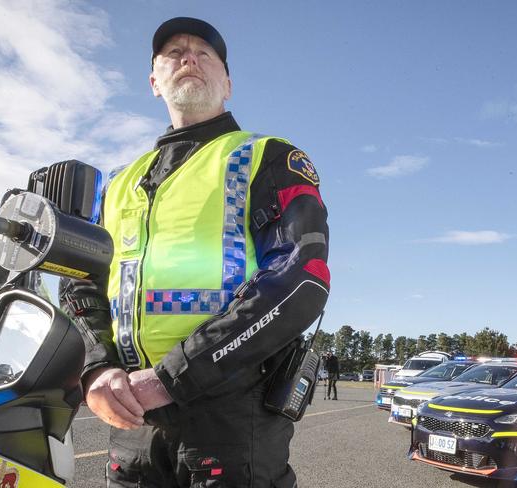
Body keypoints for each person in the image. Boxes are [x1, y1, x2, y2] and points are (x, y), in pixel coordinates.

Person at [60, 16, 329, 487]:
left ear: (227, 84)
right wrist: (97, 369)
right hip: (133, 420)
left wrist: (169, 378)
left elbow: (302, 276)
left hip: (231, 416)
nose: (189, 58)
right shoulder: (118, 183)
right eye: (174, 53)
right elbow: (79, 279)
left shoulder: (266, 156)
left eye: (205, 53)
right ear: (153, 83)